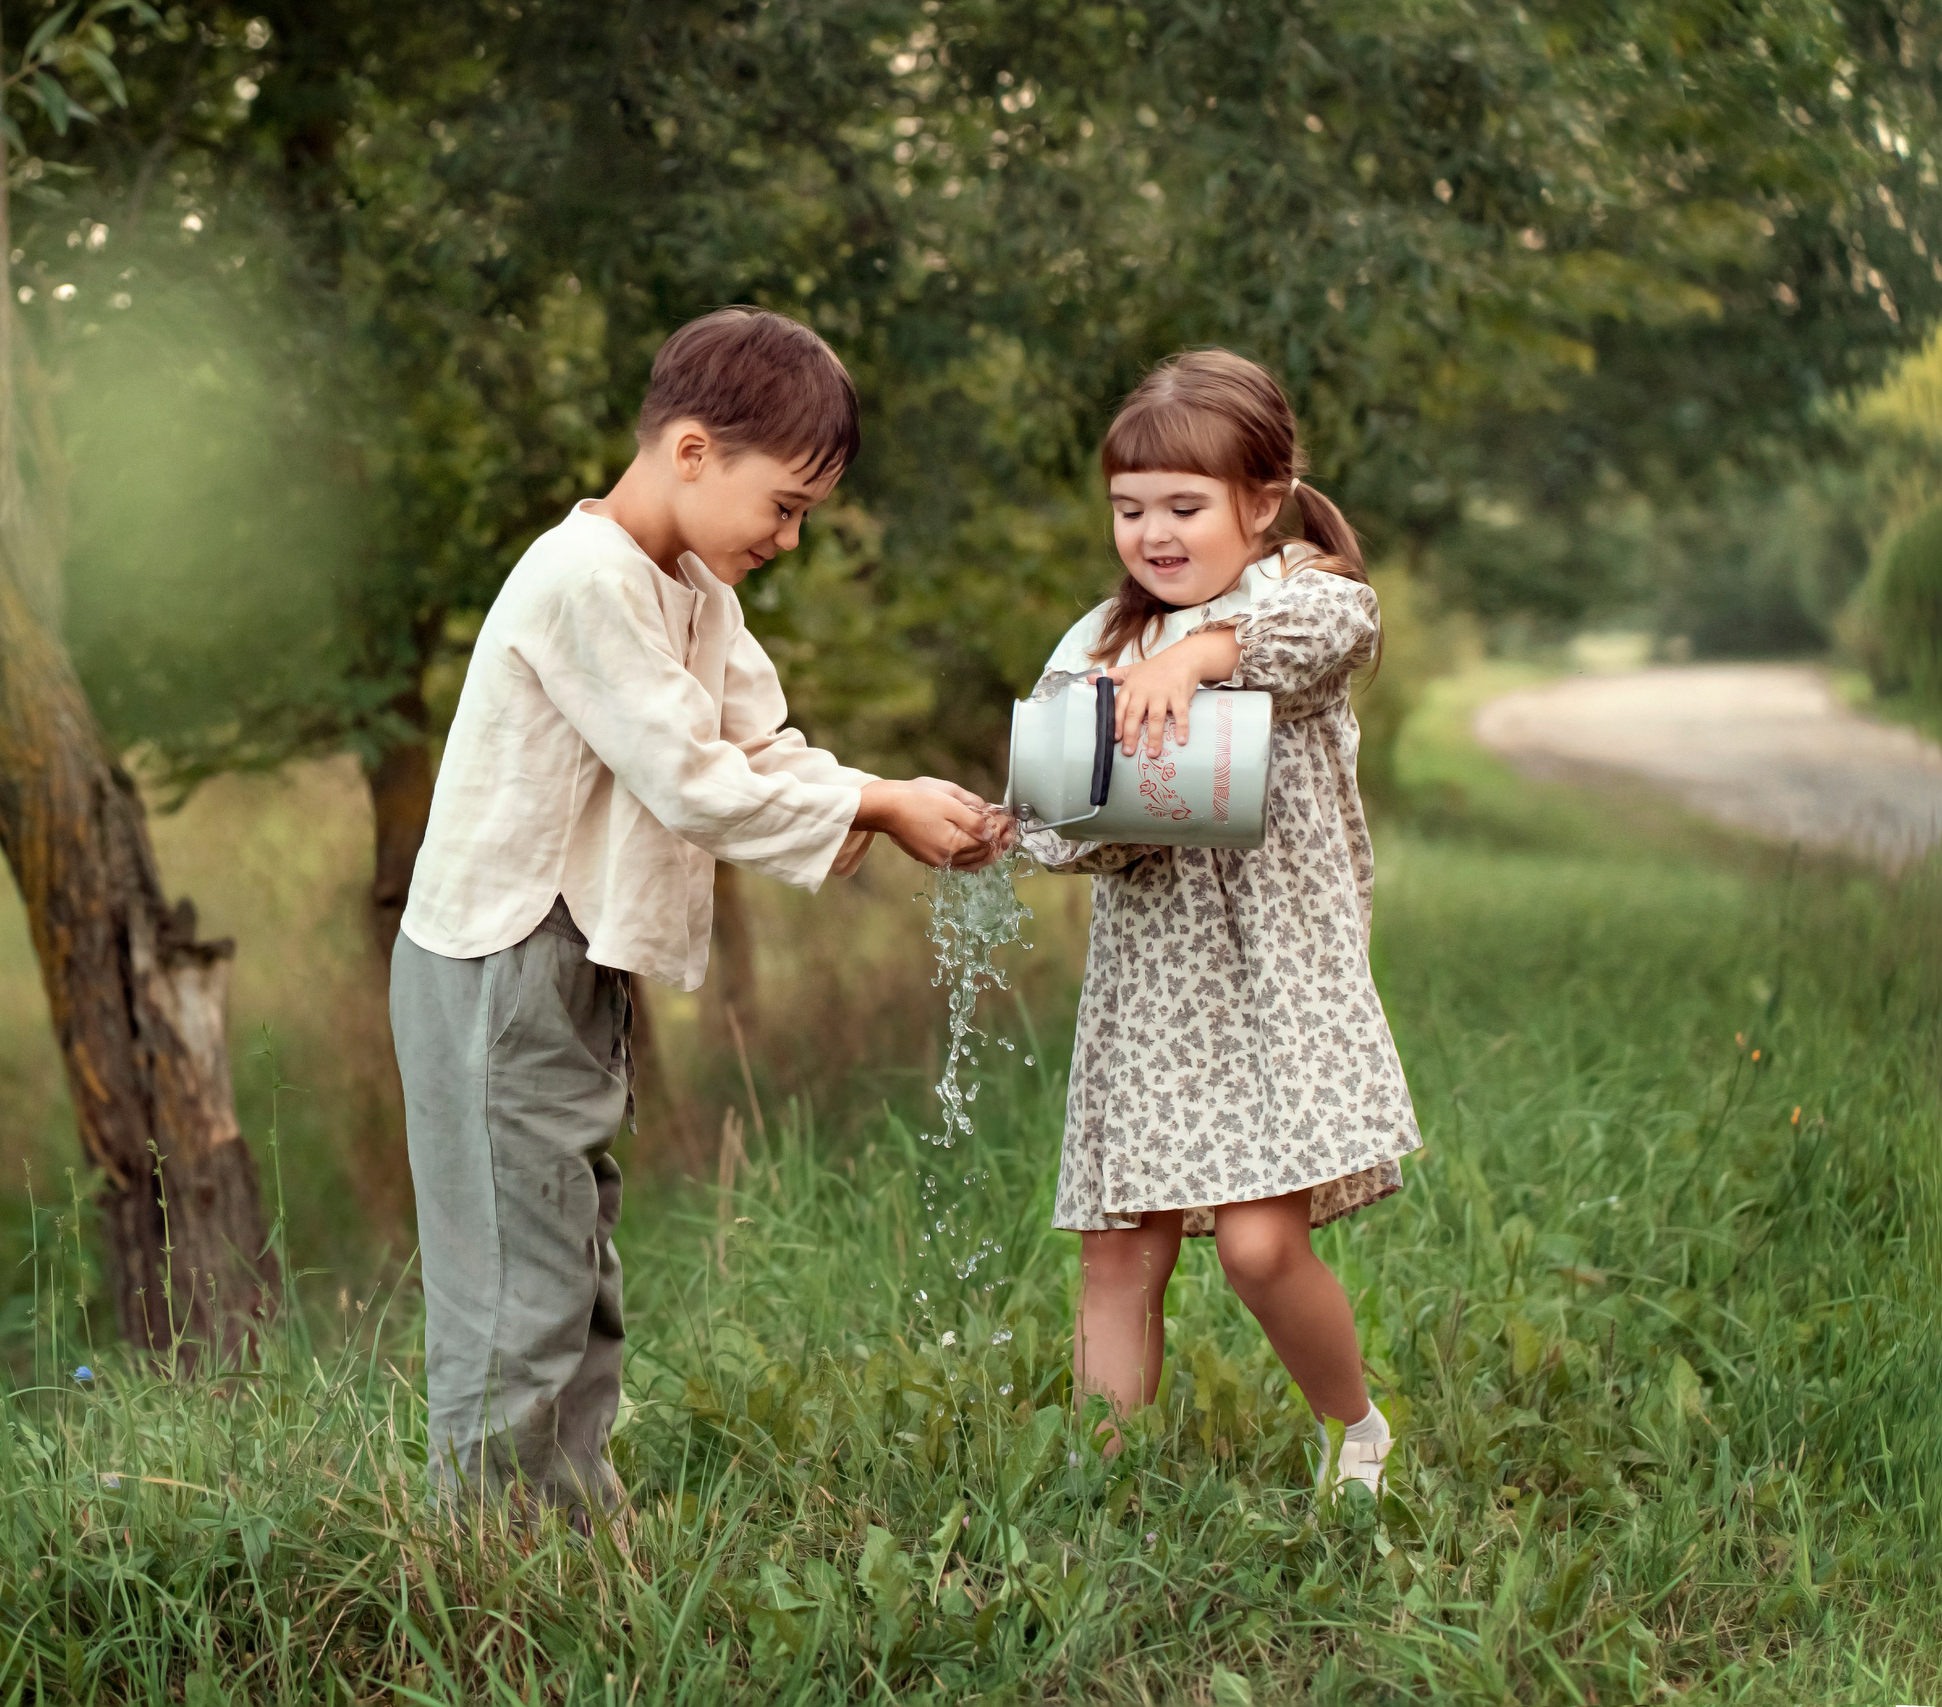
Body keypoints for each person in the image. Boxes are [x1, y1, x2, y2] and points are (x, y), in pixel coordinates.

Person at [392, 306, 1003, 1521]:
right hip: (499, 961)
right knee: (514, 1281)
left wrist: (879, 802)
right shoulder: (583, 580)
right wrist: (875, 805)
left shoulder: (691, 593)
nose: (788, 535)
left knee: (572, 1261)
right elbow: (687, 776)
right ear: (688, 451)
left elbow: (757, 747)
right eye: (782, 505)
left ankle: (571, 1522)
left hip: (571, 956)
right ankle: (488, 1561)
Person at [1016, 348, 1421, 1493]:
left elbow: (1326, 639)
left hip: (1277, 983)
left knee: (1255, 1244)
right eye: (1128, 507)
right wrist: (1096, 813)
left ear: (1261, 499)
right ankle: (1104, 1493)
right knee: (1117, 1249)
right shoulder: (1099, 644)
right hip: (1153, 997)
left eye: (1183, 506)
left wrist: (1201, 654)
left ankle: (1356, 1431)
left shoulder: (1302, 601)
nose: (1152, 531)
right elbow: (1050, 818)